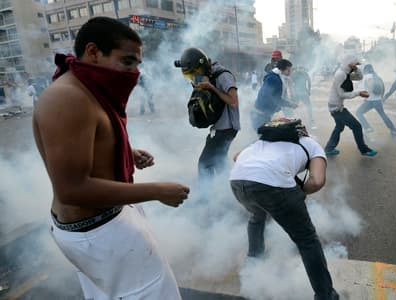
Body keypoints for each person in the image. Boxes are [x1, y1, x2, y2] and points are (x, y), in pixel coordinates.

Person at [32, 17, 189, 299]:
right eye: (127, 61)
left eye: (137, 64)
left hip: (99, 230)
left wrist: (125, 152)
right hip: (99, 233)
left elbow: (80, 146)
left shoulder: (86, 90)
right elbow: (72, 189)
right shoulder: (68, 98)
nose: (134, 72)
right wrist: (158, 191)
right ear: (93, 52)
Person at [230, 118, 339, 300]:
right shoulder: (311, 144)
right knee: (307, 240)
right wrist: (298, 192)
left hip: (237, 182)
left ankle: (254, 262)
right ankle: (325, 295)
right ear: (302, 132)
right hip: (272, 184)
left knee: (257, 216)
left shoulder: (263, 141)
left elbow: (236, 157)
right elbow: (317, 181)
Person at [176, 48, 240, 179]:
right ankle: (227, 189)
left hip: (226, 128)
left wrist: (211, 87)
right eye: (191, 75)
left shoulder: (223, 75)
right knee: (219, 162)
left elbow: (233, 102)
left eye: (196, 72)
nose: (194, 76)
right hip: (220, 126)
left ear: (203, 65)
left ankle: (206, 197)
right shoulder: (209, 75)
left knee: (205, 164)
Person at [324, 54, 377, 157]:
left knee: (339, 127)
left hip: (336, 105)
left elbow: (359, 77)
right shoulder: (341, 74)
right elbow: (341, 94)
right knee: (357, 126)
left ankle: (329, 148)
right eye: (355, 64)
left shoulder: (345, 73)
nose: (356, 66)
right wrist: (359, 93)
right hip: (336, 107)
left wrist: (356, 69)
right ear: (349, 64)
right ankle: (364, 149)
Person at [251, 59, 296, 131]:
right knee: (261, 139)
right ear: (282, 70)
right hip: (260, 115)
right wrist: (290, 104)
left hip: (261, 114)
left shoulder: (273, 76)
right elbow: (274, 98)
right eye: (288, 70)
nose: (290, 73)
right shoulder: (275, 79)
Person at [356, 64, 396, 136]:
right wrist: (381, 97)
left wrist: (367, 97)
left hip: (371, 100)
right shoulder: (377, 76)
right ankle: (393, 129)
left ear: (366, 70)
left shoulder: (367, 77)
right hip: (377, 100)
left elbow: (369, 87)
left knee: (358, 112)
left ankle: (368, 128)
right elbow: (382, 87)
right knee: (383, 115)